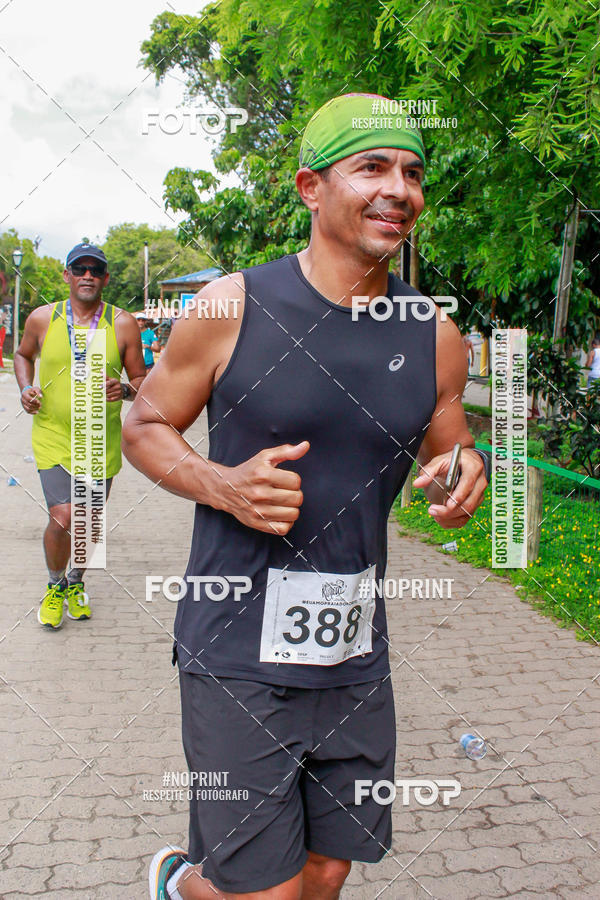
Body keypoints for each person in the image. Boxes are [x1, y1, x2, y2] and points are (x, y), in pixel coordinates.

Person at [122, 94, 490, 900]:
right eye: (371, 167)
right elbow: (144, 425)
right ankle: (183, 883)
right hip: (234, 646)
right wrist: (222, 484)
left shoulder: (434, 334)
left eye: (413, 172)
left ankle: (186, 885)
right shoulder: (232, 304)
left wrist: (467, 471)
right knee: (270, 890)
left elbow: (451, 443)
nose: (399, 188)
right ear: (309, 188)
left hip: (353, 648)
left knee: (327, 868)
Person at [15, 242, 146, 629]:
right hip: (53, 434)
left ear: (105, 277)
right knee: (64, 515)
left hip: (98, 439)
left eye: (95, 269)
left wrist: (124, 389)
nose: (87, 275)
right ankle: (55, 585)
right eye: (80, 268)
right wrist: (25, 389)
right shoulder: (42, 318)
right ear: (67, 275)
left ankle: (76, 582)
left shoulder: (122, 323)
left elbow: (142, 380)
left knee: (88, 523)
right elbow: (23, 356)